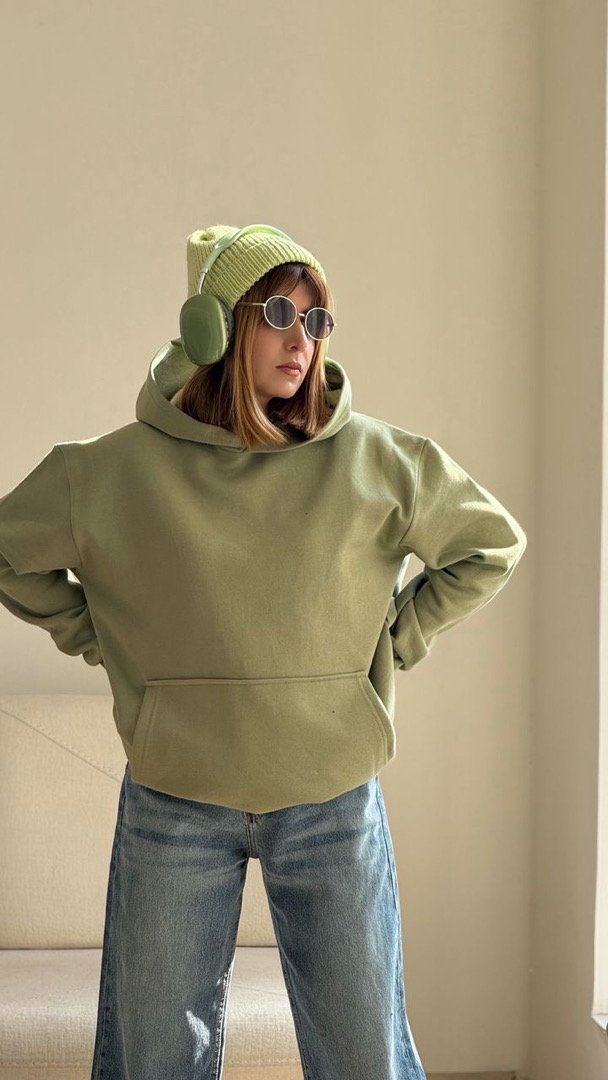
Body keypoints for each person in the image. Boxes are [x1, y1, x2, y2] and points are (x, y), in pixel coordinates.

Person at [0, 223, 527, 1080]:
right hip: (176, 798)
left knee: (364, 1059)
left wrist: (392, 642)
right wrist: (104, 636)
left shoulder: (379, 460)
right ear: (214, 327)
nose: (301, 340)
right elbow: (7, 551)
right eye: (280, 313)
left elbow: (491, 545)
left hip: (332, 798)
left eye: (316, 321)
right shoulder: (107, 471)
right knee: (153, 1062)